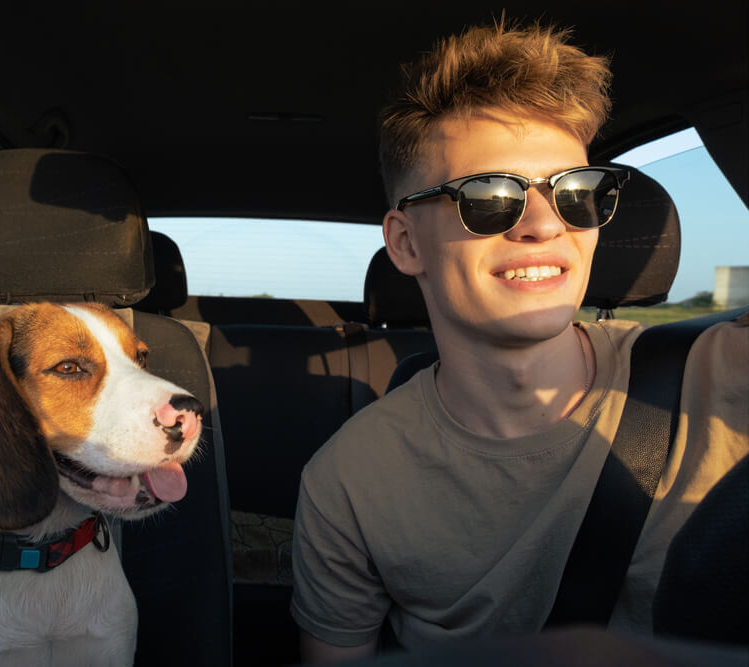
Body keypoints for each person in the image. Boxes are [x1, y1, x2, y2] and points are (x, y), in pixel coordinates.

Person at [290, 19, 748, 662]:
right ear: (405, 243)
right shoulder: (347, 482)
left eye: (576, 192)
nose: (543, 224)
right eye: (489, 196)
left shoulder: (724, 377)